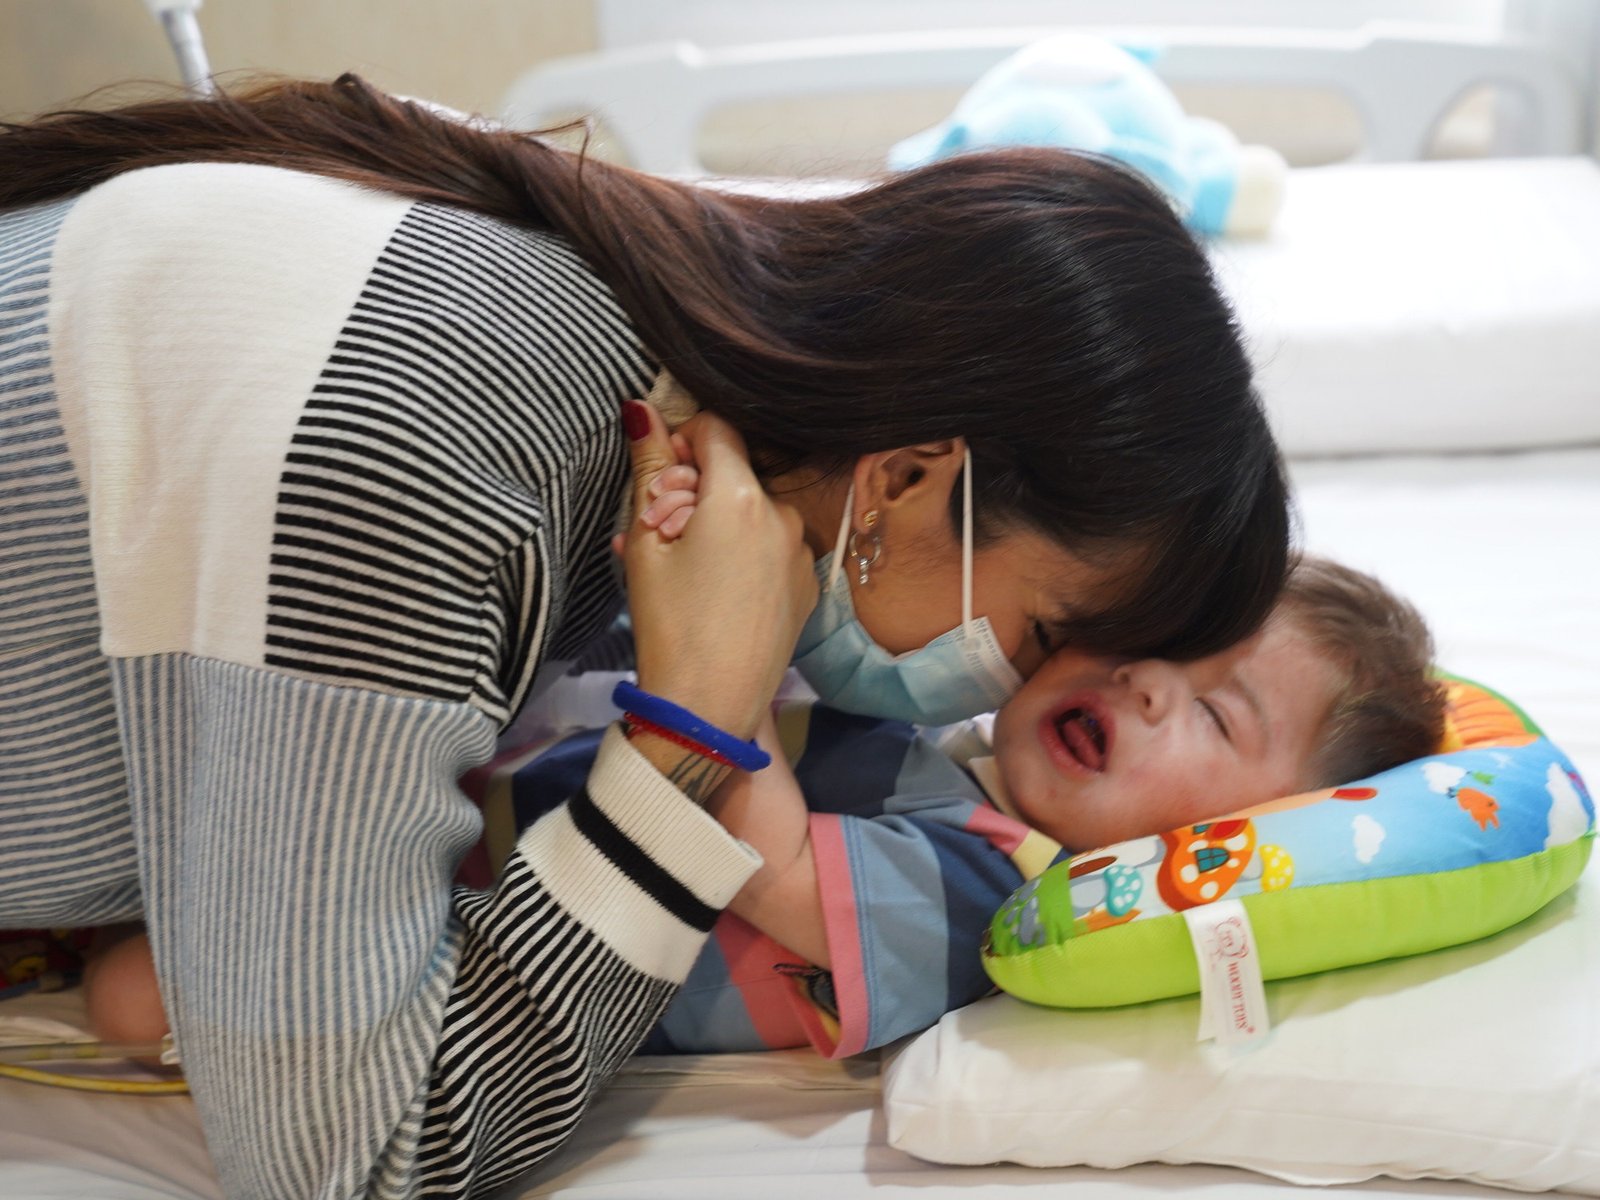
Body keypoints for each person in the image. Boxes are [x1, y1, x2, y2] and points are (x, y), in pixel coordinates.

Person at [1, 75, 1288, 1197]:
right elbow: (353, 1157)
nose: (1014, 683)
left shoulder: (595, 331)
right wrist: (689, 734)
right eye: (1045, 626)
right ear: (904, 483)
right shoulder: (441, 447)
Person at [84, 556, 1446, 1061]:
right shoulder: (949, 734)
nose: (1149, 685)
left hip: (509, 953)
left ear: (1232, 843)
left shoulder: (1013, 898)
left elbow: (771, 864)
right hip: (494, 813)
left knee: (140, 990)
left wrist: (724, 649)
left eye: (1215, 715)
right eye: (1161, 640)